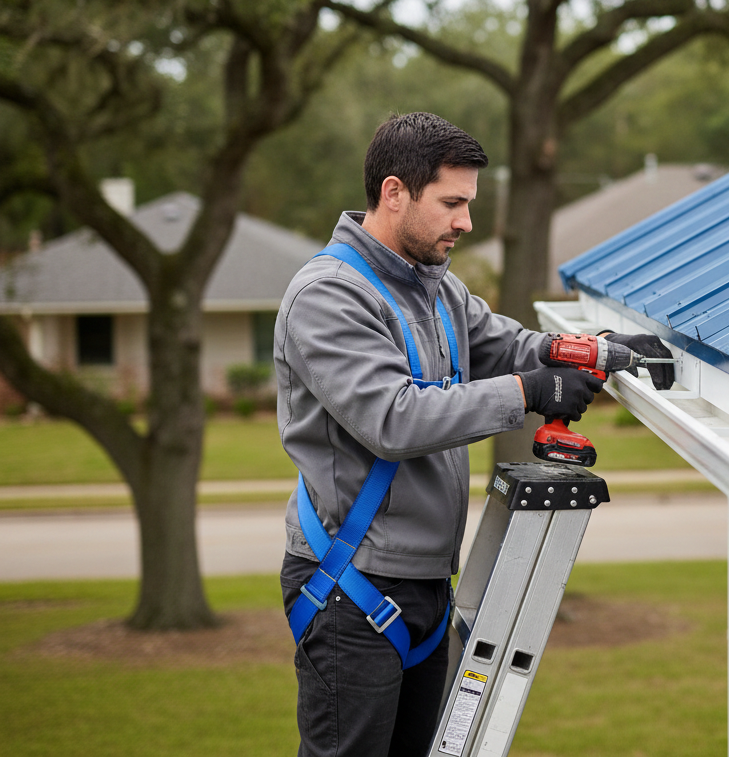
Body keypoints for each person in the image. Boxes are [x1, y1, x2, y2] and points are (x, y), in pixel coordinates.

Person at [275, 112, 671, 757]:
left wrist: (588, 351)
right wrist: (531, 394)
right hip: (353, 589)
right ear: (394, 192)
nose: (465, 222)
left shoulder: (437, 289)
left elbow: (507, 346)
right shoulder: (328, 297)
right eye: (452, 203)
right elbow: (392, 418)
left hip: (427, 583)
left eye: (469, 204)